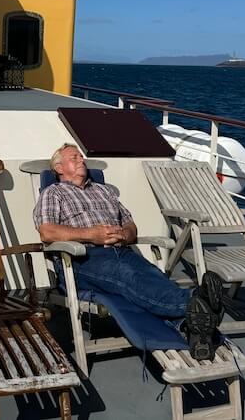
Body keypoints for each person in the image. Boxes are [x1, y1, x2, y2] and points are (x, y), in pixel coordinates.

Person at [33, 142, 224, 359]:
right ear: (59, 168)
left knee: (153, 275)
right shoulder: (54, 193)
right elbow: (47, 232)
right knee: (128, 277)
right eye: (74, 158)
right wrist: (90, 235)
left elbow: (131, 225)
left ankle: (193, 328)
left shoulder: (103, 190)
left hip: (121, 252)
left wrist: (125, 235)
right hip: (82, 259)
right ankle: (195, 302)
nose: (81, 160)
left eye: (81, 157)